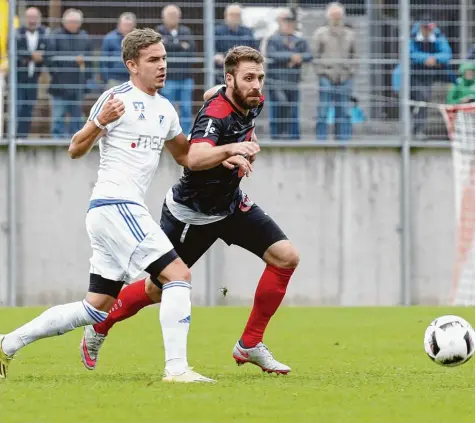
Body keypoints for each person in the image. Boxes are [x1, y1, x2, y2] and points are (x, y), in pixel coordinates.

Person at [0, 28, 216, 384]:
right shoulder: (116, 99)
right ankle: (177, 369)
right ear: (132, 65)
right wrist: (101, 121)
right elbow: (75, 148)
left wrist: (226, 148)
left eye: (164, 58)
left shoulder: (165, 109)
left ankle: (7, 343)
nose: (162, 66)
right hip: (116, 204)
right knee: (178, 275)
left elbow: (187, 156)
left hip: (116, 210)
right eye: (153, 60)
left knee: (94, 307)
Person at [80, 46, 300, 375]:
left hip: (229, 204)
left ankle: (250, 343)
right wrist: (233, 148)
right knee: (158, 287)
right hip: (191, 213)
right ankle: (99, 326)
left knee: (286, 257)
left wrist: (237, 153)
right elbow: (194, 158)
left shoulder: (250, 99)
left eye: (260, 78)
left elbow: (217, 96)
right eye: (249, 79)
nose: (257, 85)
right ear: (231, 80)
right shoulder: (217, 115)